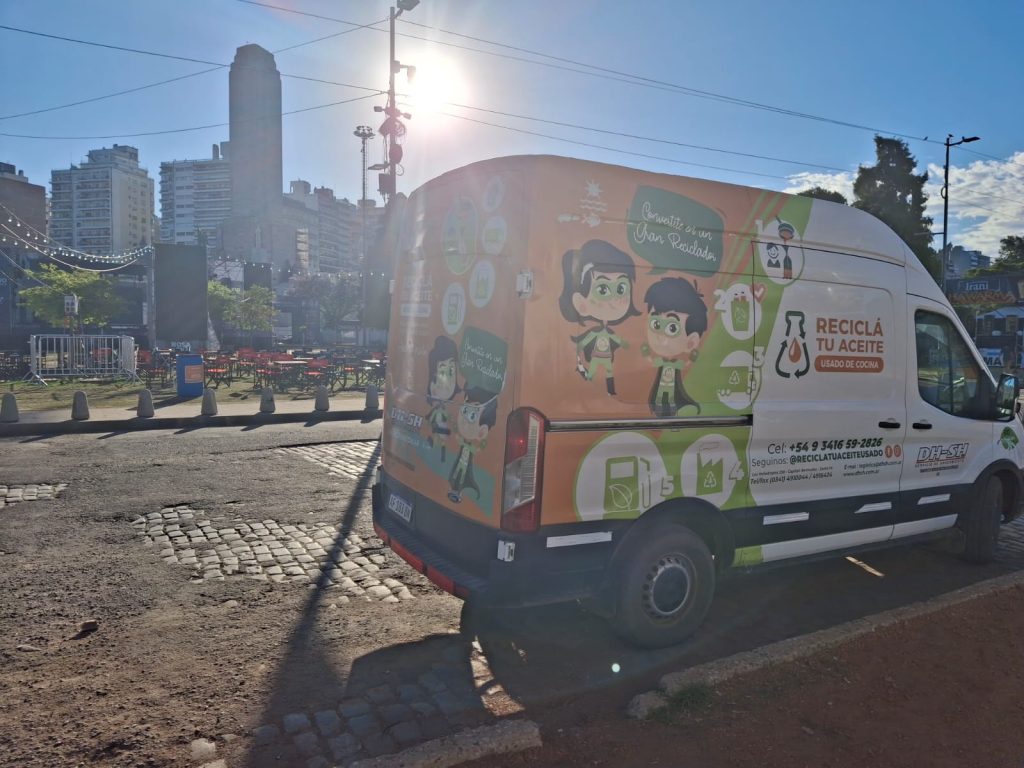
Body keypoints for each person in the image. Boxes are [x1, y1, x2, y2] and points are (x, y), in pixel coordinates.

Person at [557, 240, 640, 396]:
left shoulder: (607, 332)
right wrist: (579, 347)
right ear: (581, 302)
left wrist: (624, 344)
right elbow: (587, 340)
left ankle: (609, 390)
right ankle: (586, 381)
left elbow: (616, 339)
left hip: (607, 357)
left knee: (609, 372)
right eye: (602, 289)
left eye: (621, 289)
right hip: (596, 356)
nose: (615, 300)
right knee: (593, 370)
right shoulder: (595, 333)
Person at [640, 277, 708, 417]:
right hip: (662, 386)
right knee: (659, 397)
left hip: (671, 387)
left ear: (691, 342)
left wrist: (693, 358)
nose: (660, 336)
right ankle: (660, 410)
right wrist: (646, 353)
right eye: (656, 324)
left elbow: (686, 365)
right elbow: (651, 361)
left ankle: (671, 412)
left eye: (672, 328)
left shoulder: (676, 364)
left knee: (671, 399)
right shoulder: (662, 362)